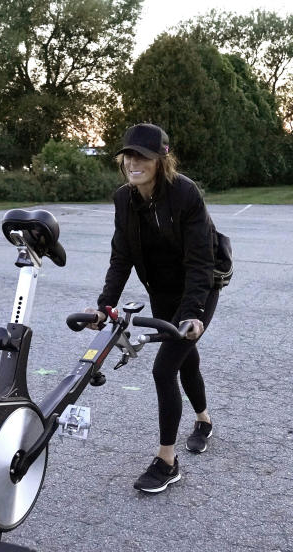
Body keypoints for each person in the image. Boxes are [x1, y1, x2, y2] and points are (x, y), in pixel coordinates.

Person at [85, 123, 220, 494]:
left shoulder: (185, 194)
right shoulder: (124, 199)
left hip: (199, 291)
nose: (133, 162)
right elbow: (121, 256)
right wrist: (104, 307)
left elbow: (200, 261)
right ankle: (204, 422)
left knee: (164, 369)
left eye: (142, 156)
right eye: (128, 154)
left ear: (161, 160)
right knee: (185, 359)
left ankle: (167, 461)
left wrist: (193, 312)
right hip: (162, 292)